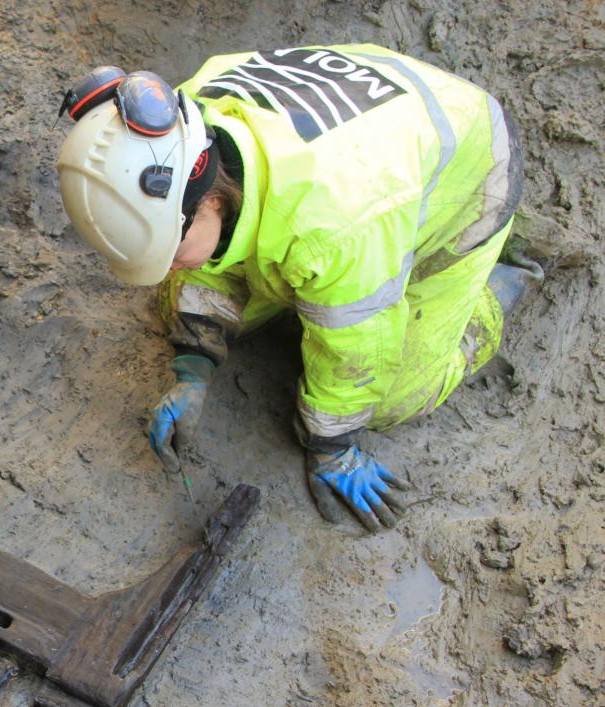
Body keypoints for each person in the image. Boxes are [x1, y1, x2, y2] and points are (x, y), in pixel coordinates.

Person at [57, 45, 540, 532]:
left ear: (209, 203)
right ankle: (315, 284)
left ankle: (500, 274)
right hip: (379, 126)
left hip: (468, 166)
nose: (167, 268)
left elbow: (359, 353)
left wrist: (331, 446)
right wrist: (193, 366)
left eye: (170, 249)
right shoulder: (181, 134)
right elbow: (199, 265)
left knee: (393, 396)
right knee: (199, 288)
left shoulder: (336, 226)